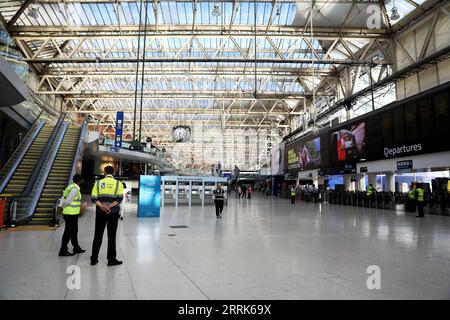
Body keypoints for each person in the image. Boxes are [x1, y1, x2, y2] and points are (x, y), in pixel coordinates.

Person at [90, 166, 124, 266]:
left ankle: (94, 259)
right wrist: (109, 207)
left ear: (104, 172)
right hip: (113, 213)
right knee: (111, 235)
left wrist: (102, 206)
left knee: (98, 235)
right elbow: (119, 199)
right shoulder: (119, 184)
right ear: (113, 172)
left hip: (100, 212)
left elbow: (93, 198)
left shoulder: (98, 183)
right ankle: (111, 259)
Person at [58, 174, 88, 257]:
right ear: (80, 180)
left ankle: (76, 247)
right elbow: (67, 201)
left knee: (74, 231)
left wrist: (61, 207)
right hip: (70, 214)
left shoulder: (70, 187)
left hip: (72, 213)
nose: (83, 181)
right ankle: (63, 250)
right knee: (68, 232)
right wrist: (63, 208)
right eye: (82, 180)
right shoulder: (74, 189)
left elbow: (63, 197)